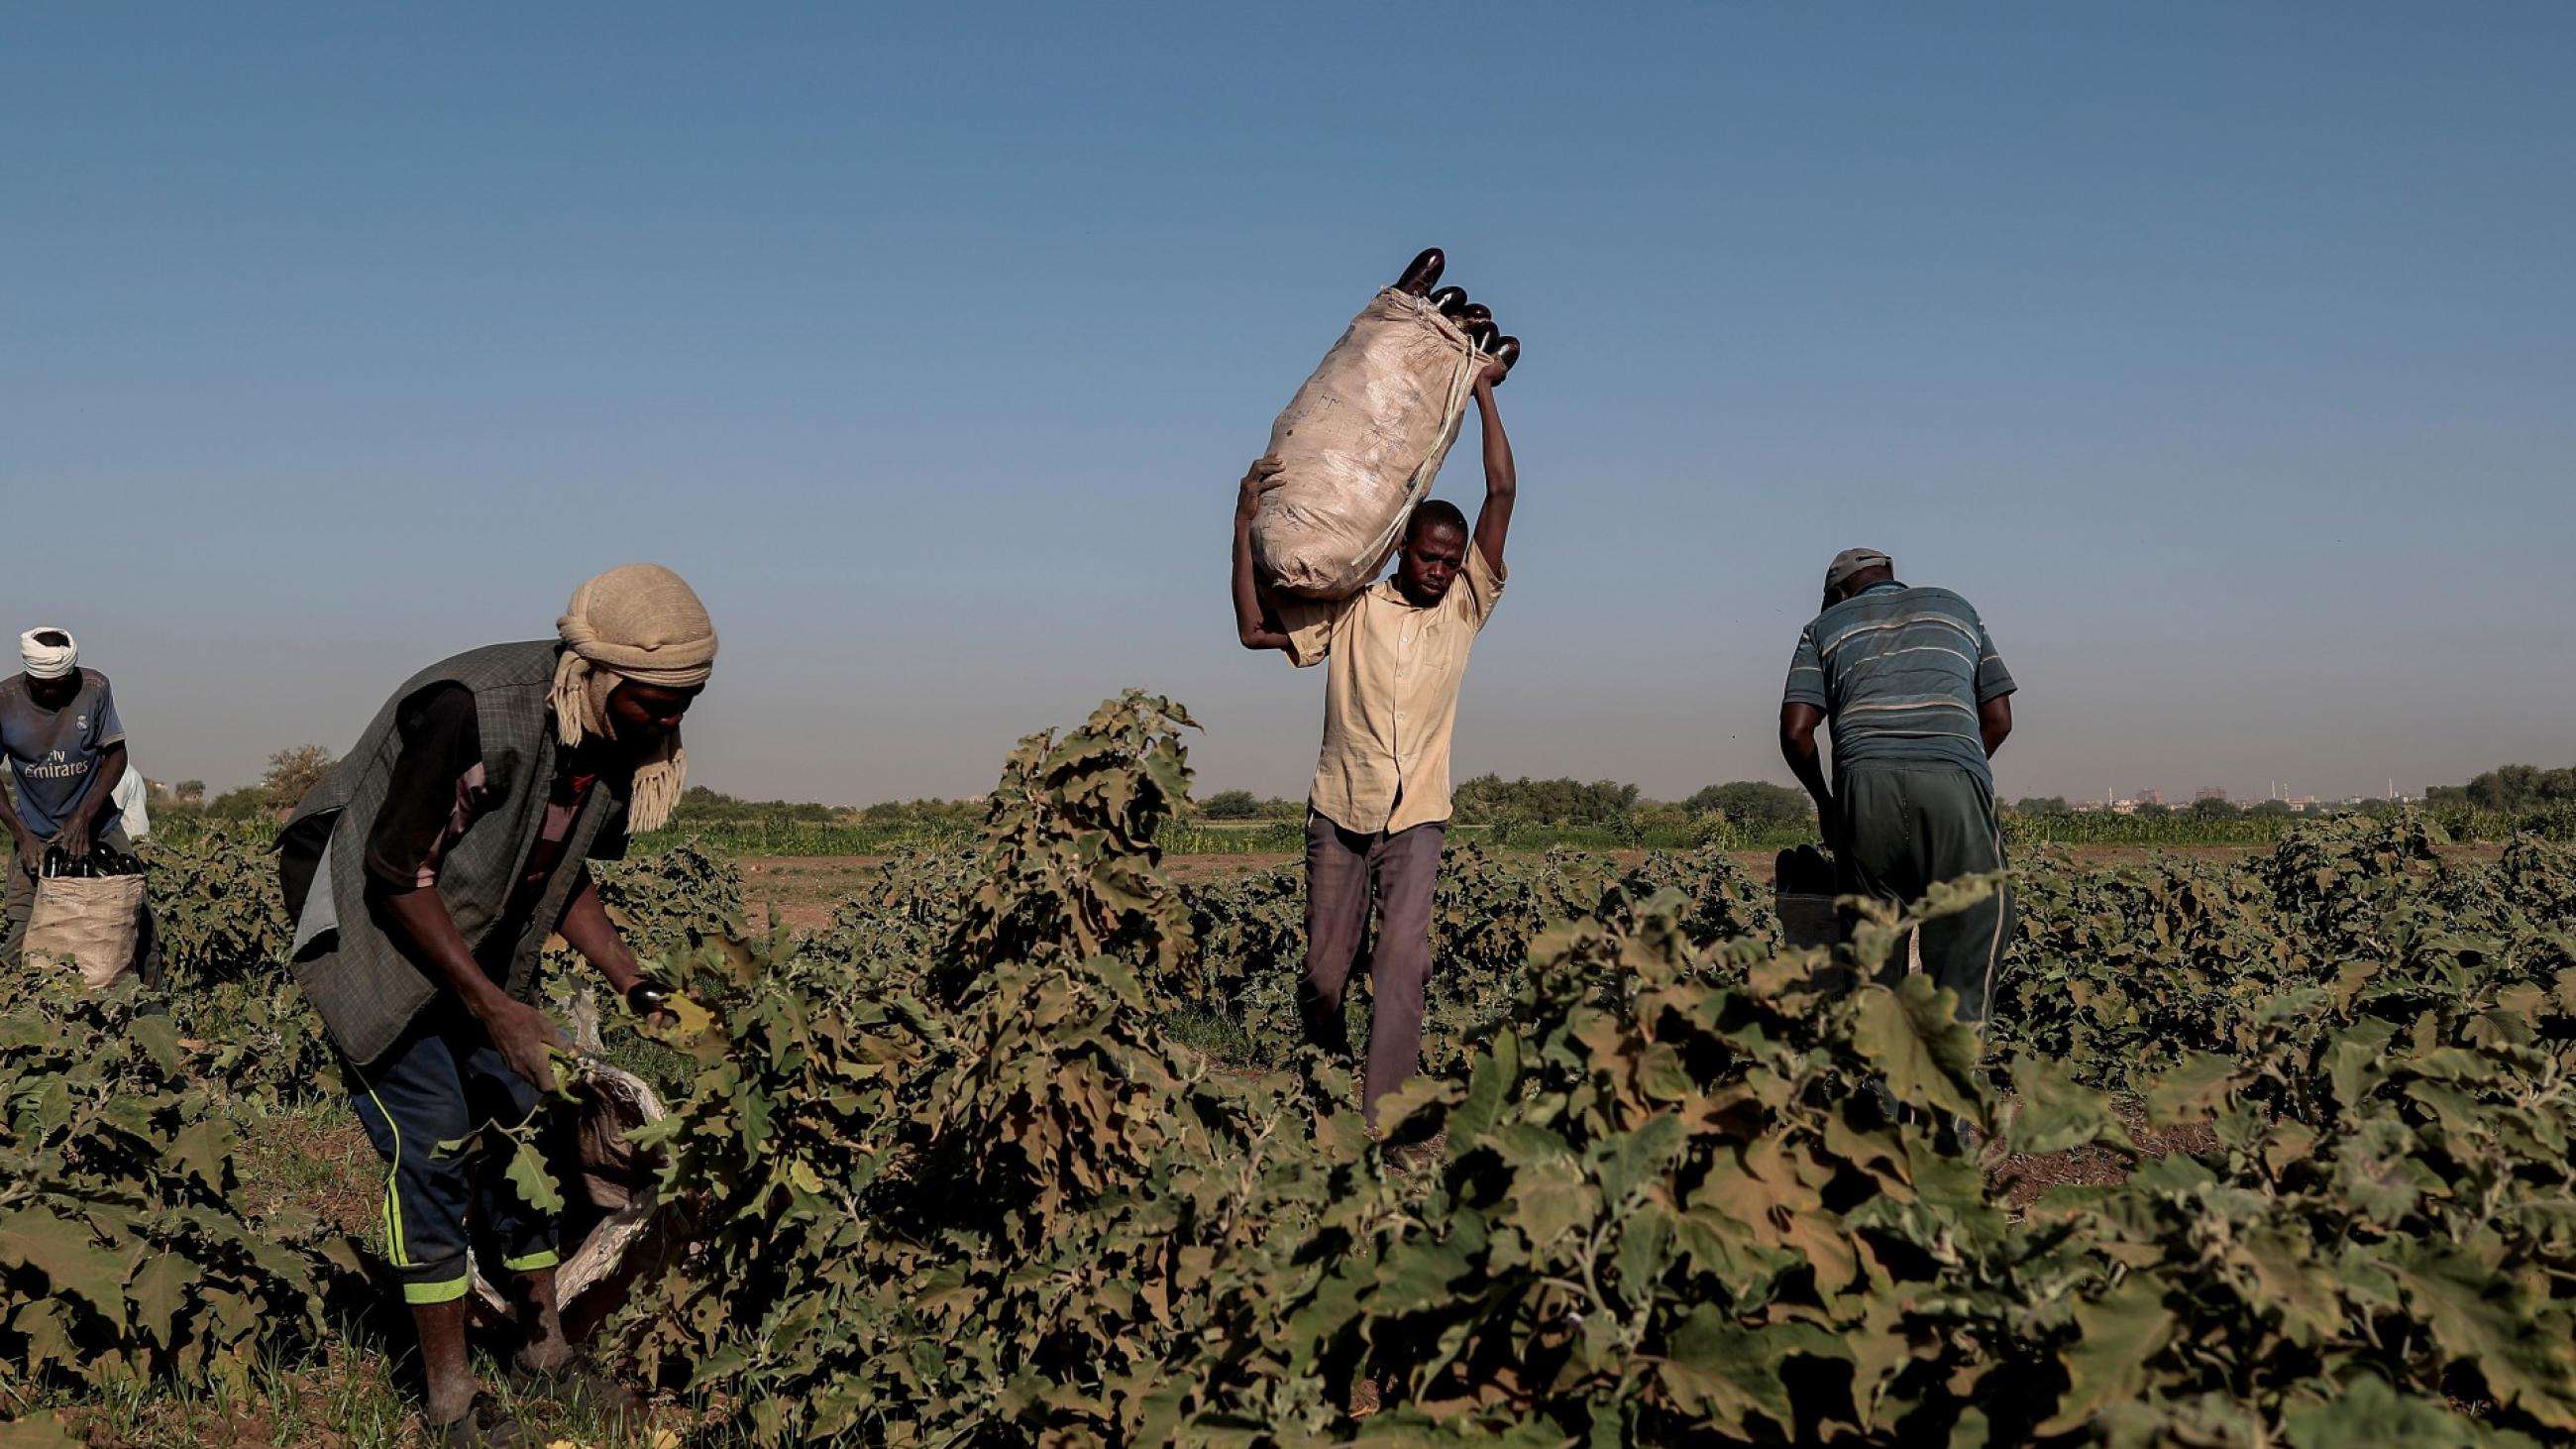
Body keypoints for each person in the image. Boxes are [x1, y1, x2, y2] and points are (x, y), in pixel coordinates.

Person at [277, 564, 714, 1445]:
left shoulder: (610, 739)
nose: (668, 724)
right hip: (369, 910)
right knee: (434, 1138)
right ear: (595, 672)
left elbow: (560, 869)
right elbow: (396, 871)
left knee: (526, 1116)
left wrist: (636, 983)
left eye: (685, 704)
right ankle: (448, 1401)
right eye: (654, 703)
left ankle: (543, 1353)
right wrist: (495, 1007)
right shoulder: (475, 708)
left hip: (457, 919)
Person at [1231, 353, 1515, 1127]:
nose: (1441, 570)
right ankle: (1322, 1085)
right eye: (1430, 556)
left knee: (1401, 967)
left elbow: (1502, 491)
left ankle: (1386, 1118)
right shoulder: (1353, 608)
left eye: (1452, 561)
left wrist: (1482, 393)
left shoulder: (1464, 608)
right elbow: (1254, 627)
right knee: (1325, 974)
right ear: (1400, 550)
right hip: (1339, 810)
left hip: (1418, 813)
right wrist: (1243, 521)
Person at [1778, 548, 2017, 1028]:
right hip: (1952, 782)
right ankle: (1949, 1083)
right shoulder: (1956, 609)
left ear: (1839, 593)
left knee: (1871, 952)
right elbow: (1999, 719)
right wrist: (1954, 769)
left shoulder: (1823, 627)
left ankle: (1881, 1092)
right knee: (1975, 927)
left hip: (1864, 788)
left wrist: (1829, 805)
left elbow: (1795, 731)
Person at [1, 628, 158, 983]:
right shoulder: (4, 701)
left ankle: (152, 1014)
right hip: (35, 831)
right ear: (30, 675)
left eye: (62, 682)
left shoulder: (94, 688)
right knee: (22, 926)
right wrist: (20, 833)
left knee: (138, 916)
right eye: (46, 685)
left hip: (98, 822)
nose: (55, 691)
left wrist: (84, 816)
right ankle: (12, 1021)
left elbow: (116, 755)